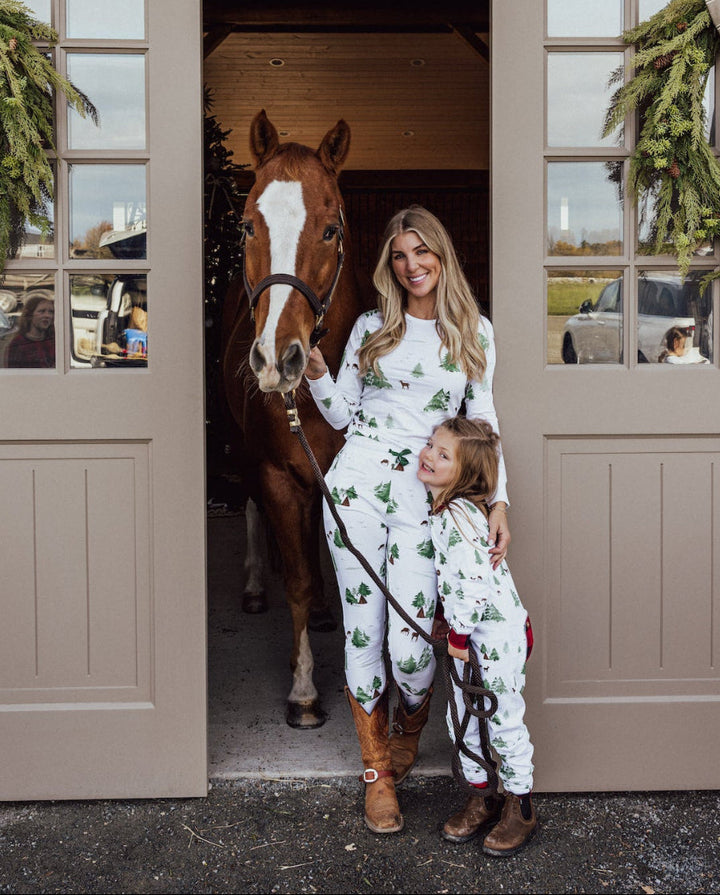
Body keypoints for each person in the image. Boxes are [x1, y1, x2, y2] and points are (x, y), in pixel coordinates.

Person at [304, 205, 510, 834]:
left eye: (421, 252)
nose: (410, 265)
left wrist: (499, 501)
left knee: (412, 649)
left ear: (442, 256)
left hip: (426, 502)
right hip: (355, 491)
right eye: (398, 255)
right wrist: (318, 375)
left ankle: (410, 724)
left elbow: (484, 428)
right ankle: (377, 773)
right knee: (362, 635)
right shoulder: (371, 326)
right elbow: (342, 415)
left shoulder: (473, 331)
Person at [418, 415, 536, 857]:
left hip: (494, 639)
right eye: (431, 445)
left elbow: (471, 583)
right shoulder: (447, 510)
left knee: (502, 721)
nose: (429, 455)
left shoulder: (459, 518)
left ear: (465, 475)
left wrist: (459, 635)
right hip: (473, 636)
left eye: (443, 455)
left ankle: (521, 805)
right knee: (463, 718)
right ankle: (483, 796)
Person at [6, 292, 55, 368]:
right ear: (29, 315)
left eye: (51, 312)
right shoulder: (18, 344)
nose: (47, 315)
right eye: (42, 311)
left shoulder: (53, 341)